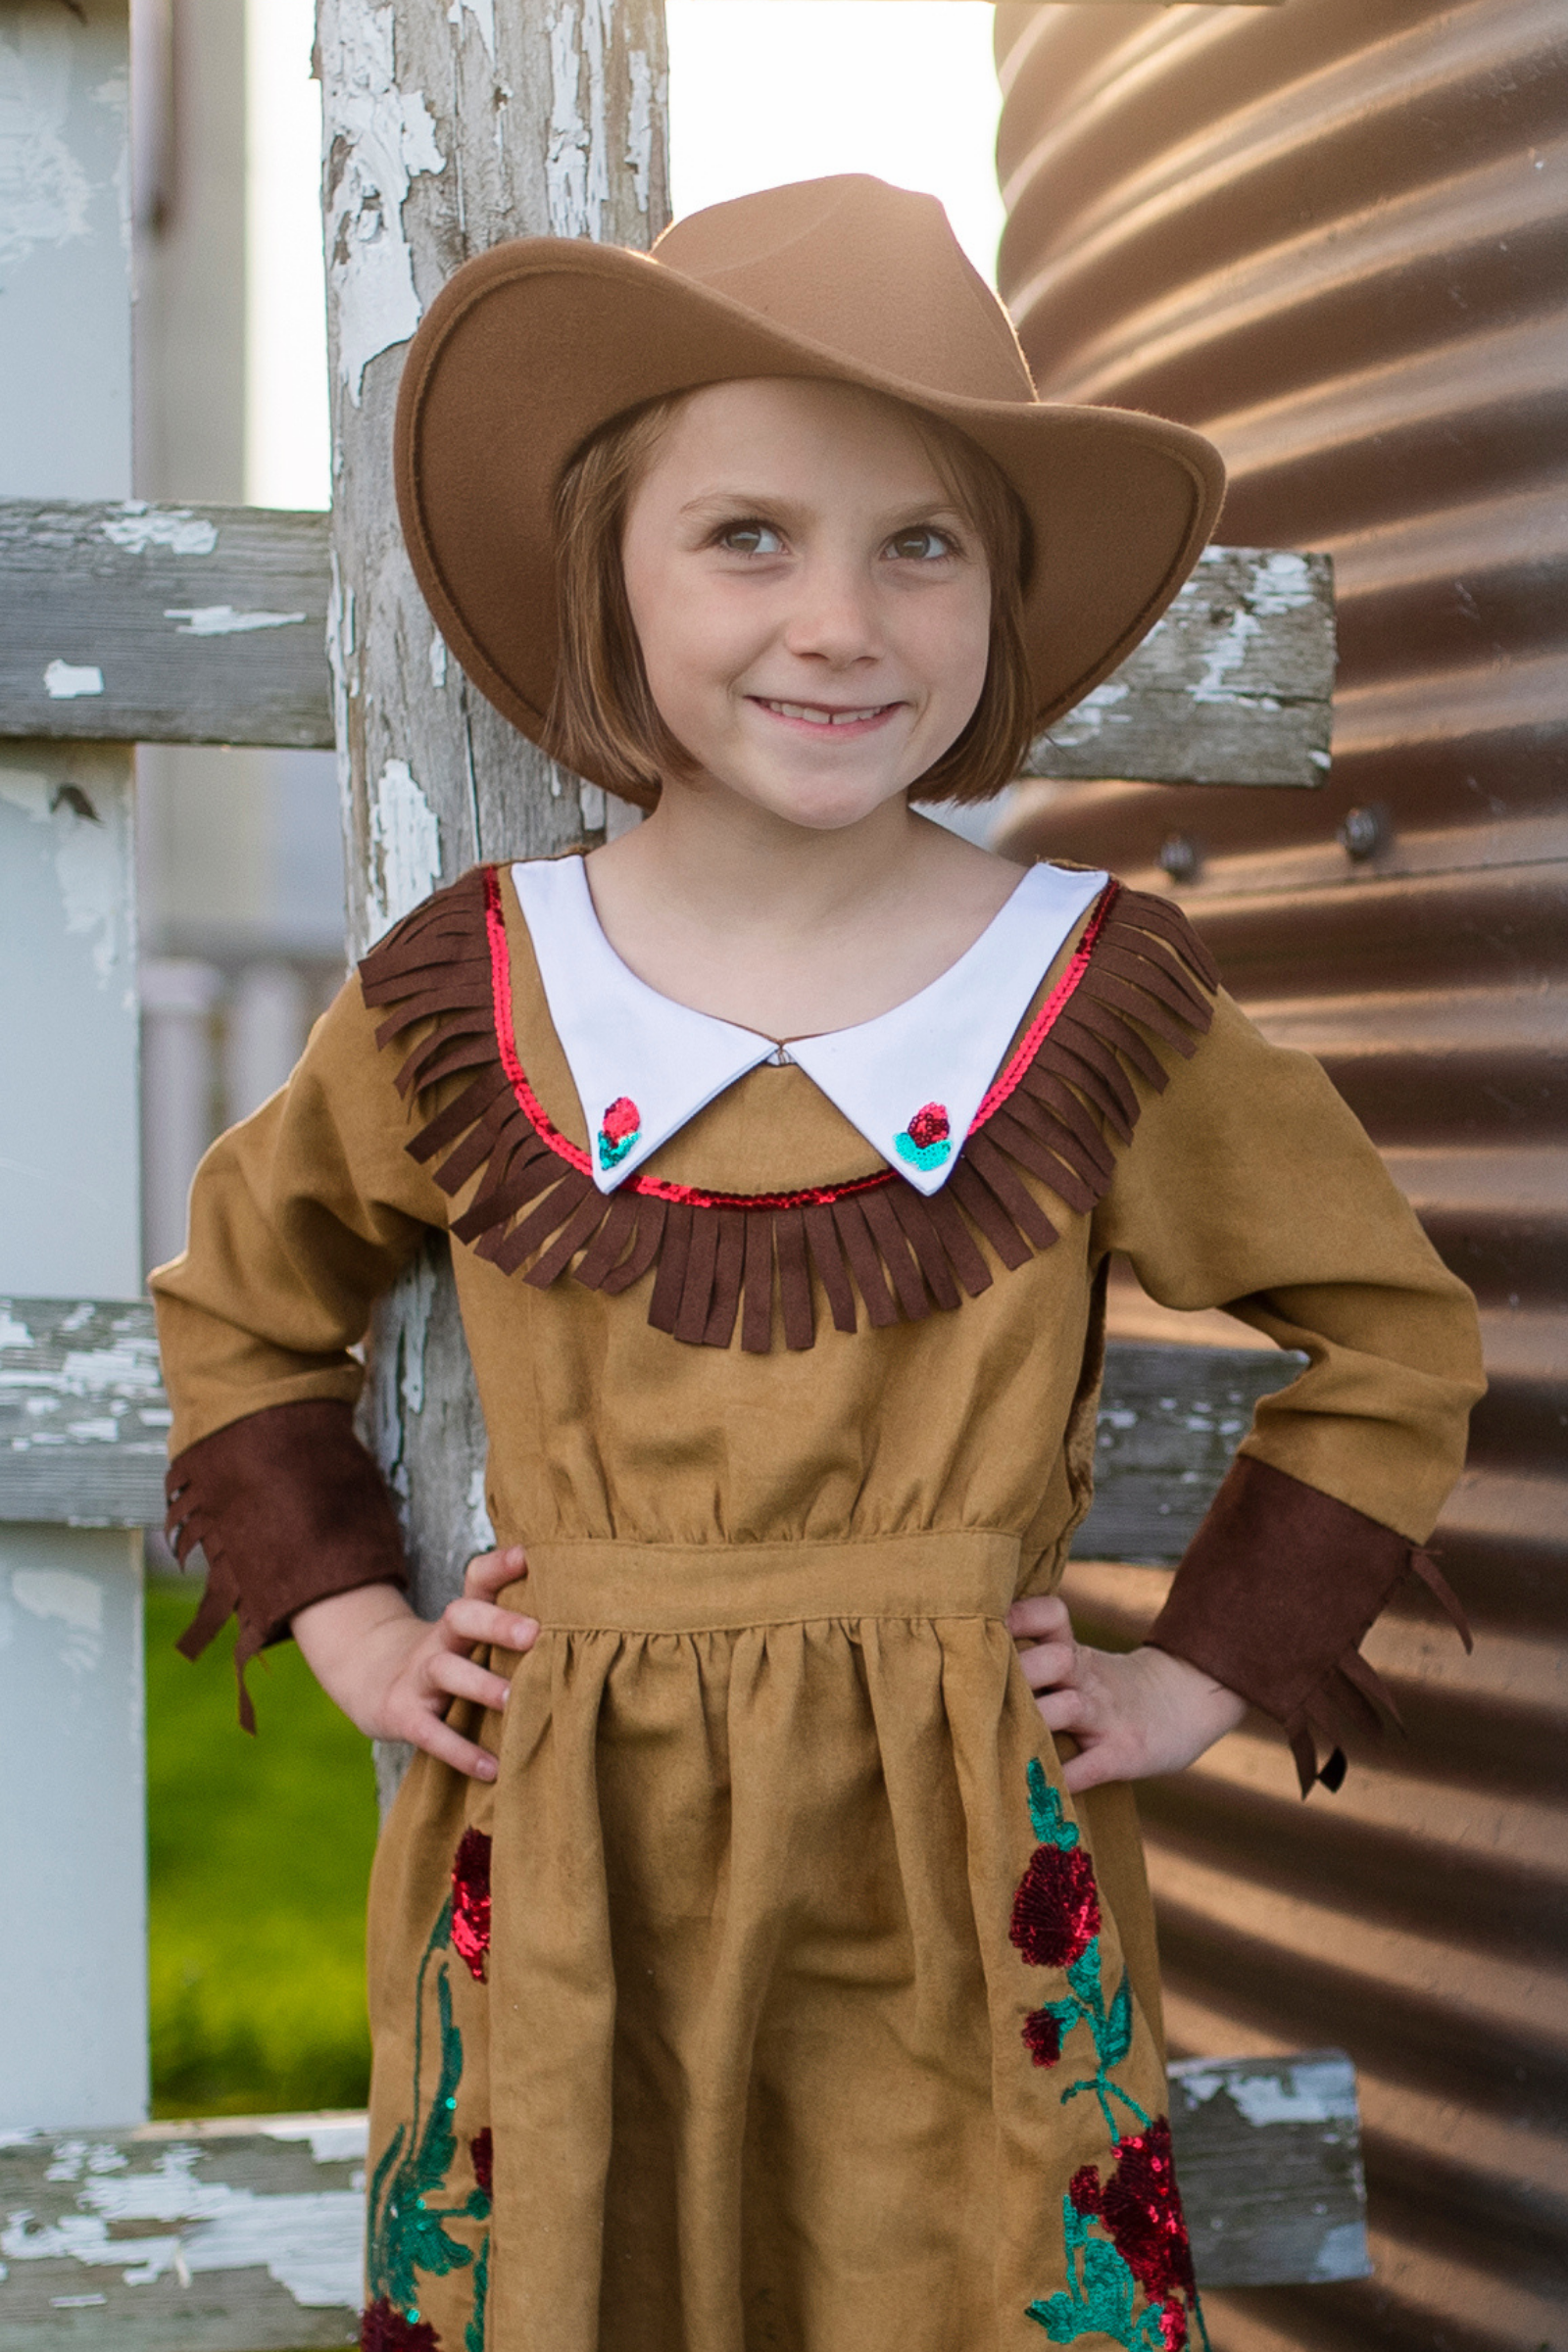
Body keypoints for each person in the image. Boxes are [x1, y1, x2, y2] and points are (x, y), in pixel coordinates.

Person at [151, 178, 1483, 2352]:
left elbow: (1390, 1331)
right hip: (574, 1844)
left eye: (917, 545)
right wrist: (357, 1631)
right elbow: (240, 1303)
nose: (836, 620)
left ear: (993, 604)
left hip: (961, 1847)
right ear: (616, 577)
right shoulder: (475, 991)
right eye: (747, 536)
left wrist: (1192, 1677)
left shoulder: (1088, 996)